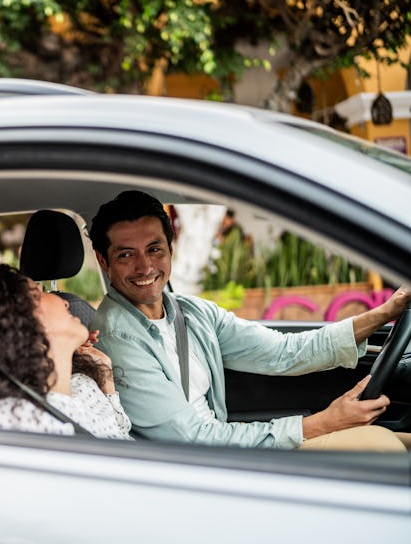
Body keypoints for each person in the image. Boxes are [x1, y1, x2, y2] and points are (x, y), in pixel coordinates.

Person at [89, 190, 409, 451]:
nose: (145, 267)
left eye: (154, 249)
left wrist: (387, 311)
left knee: (399, 443)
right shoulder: (116, 336)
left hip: (225, 447)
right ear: (104, 261)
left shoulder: (192, 313)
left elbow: (285, 351)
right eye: (126, 255)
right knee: (381, 447)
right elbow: (192, 440)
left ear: (170, 250)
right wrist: (324, 422)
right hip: (197, 469)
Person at [0, 250, 131, 439]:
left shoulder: (82, 383)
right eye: (40, 294)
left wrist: (105, 377)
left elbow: (122, 438)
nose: (64, 302)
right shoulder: (16, 417)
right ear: (17, 323)